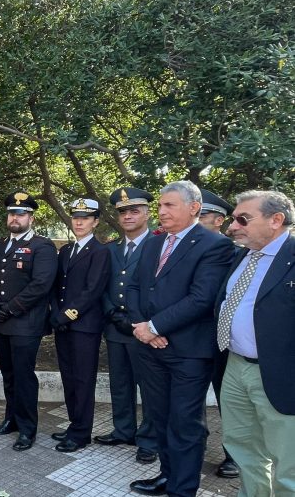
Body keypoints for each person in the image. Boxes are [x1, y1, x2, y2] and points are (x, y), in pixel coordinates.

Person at [126, 181, 234, 496]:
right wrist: (142, 327)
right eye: (160, 205)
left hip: (188, 352)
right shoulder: (152, 243)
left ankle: (182, 489)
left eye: (169, 205)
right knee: (159, 417)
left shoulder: (214, 245)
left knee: (185, 424)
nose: (161, 211)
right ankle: (167, 476)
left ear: (194, 207)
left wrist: (155, 328)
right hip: (150, 349)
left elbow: (201, 299)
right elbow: (134, 288)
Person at [216, 190, 295, 496]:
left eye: (242, 218)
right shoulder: (242, 256)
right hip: (235, 366)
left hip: (280, 373)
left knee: (288, 463)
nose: (233, 225)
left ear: (276, 220)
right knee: (243, 448)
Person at [0, 192, 58, 451]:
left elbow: (41, 285)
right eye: (12, 213)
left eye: (21, 214)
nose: (15, 217)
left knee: (24, 377)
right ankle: (11, 419)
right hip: (1, 320)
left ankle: (27, 429)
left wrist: (10, 309)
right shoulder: (0, 245)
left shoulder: (42, 246)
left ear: (30, 218)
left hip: (26, 323)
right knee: (9, 375)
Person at [95, 187, 159, 464]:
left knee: (149, 386)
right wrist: (112, 314)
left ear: (146, 213)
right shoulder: (110, 248)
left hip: (146, 328)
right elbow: (102, 286)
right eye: (123, 212)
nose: (128, 216)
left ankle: (150, 439)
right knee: (120, 383)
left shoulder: (159, 244)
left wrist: (138, 321)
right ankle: (124, 430)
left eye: (134, 210)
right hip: (116, 326)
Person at [49, 199, 111, 453]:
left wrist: (65, 316)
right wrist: (55, 312)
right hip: (63, 325)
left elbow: (92, 290)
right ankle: (74, 424)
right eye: (76, 217)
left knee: (84, 380)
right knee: (69, 378)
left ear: (95, 221)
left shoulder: (101, 251)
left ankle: (82, 433)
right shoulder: (66, 251)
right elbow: (56, 287)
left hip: (84, 326)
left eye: (85, 218)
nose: (79, 222)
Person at [197, 188, 240, 478]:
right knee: (192, 399)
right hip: (192, 338)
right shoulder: (181, 249)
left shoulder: (236, 252)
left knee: (230, 401)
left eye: (202, 215)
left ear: (219, 220)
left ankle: (234, 456)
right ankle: (194, 447)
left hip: (224, 340)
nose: (196, 220)